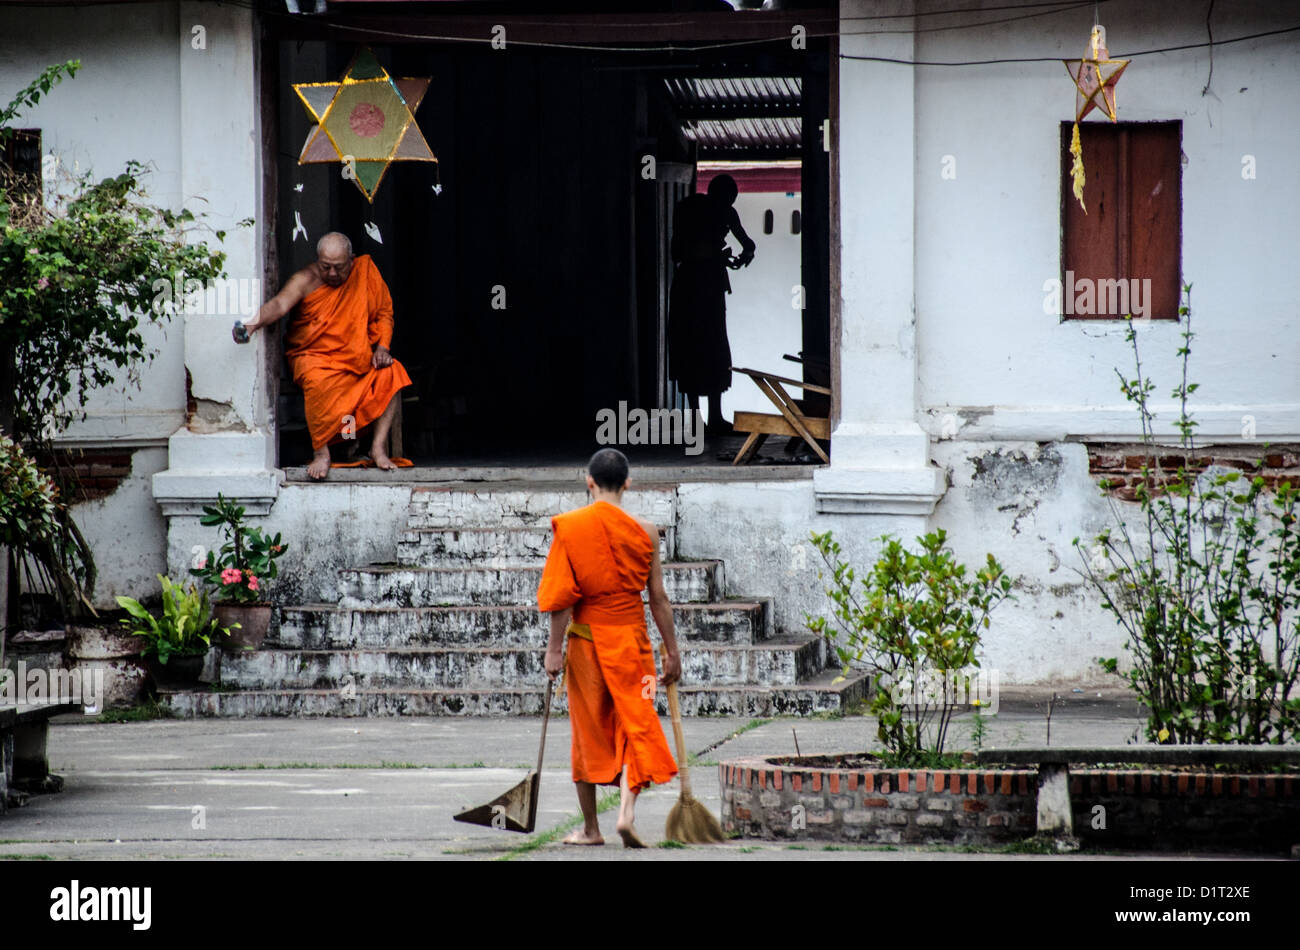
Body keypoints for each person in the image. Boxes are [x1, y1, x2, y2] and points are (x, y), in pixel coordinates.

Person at [538, 448, 682, 847]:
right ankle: (626, 813)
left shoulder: (572, 527)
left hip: (586, 645)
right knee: (638, 720)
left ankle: (590, 829)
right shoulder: (647, 531)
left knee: (586, 732)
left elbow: (563, 598)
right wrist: (672, 651)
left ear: (589, 482)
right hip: (634, 644)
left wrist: (553, 651)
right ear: (628, 484)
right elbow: (658, 598)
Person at [235, 232, 412, 480]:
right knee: (317, 381)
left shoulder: (365, 273)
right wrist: (252, 325)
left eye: (338, 268)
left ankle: (377, 447)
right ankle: (321, 452)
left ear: (351, 260)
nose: (331, 274)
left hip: (356, 357)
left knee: (393, 373)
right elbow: (279, 305)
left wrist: (383, 348)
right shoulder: (305, 279)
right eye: (325, 266)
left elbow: (384, 313)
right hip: (312, 356)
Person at [667, 173, 756, 437]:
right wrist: (731, 256)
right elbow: (680, 252)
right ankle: (709, 419)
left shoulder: (692, 209)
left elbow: (747, 243)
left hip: (694, 285)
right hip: (701, 286)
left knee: (699, 347)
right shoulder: (703, 211)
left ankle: (708, 419)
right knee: (706, 346)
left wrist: (731, 255)